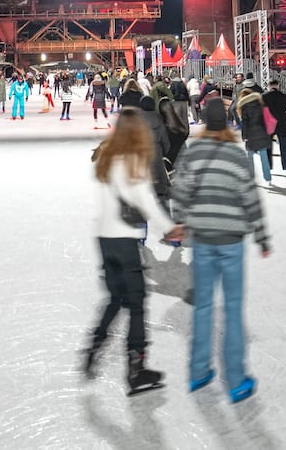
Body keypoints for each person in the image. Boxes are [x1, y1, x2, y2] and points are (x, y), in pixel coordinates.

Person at [171, 97, 271, 403]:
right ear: (226, 122)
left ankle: (199, 371)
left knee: (203, 307)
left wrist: (181, 221)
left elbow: (180, 189)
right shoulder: (235, 155)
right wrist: (262, 236)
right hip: (230, 240)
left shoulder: (194, 152)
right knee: (232, 309)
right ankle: (237, 380)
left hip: (203, 240)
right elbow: (250, 197)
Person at [83, 107, 180, 396]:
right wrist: (169, 228)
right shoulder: (132, 161)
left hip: (104, 238)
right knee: (136, 303)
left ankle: (94, 348)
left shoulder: (105, 158)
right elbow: (146, 202)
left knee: (115, 299)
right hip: (124, 241)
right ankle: (136, 369)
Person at [236, 81, 273, 184]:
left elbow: (245, 123)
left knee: (250, 157)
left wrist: (244, 136)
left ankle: (251, 178)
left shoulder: (244, 107)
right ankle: (268, 178)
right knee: (264, 156)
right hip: (262, 132)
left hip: (251, 134)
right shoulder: (260, 104)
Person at [263, 79, 286, 176]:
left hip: (269, 123)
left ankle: (268, 166)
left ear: (269, 86)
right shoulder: (283, 96)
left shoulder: (264, 96)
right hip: (282, 124)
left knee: (268, 147)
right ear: (278, 86)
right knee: (284, 146)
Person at [159, 81, 191, 170]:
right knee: (181, 118)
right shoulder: (182, 84)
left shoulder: (173, 86)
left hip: (176, 102)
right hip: (183, 102)